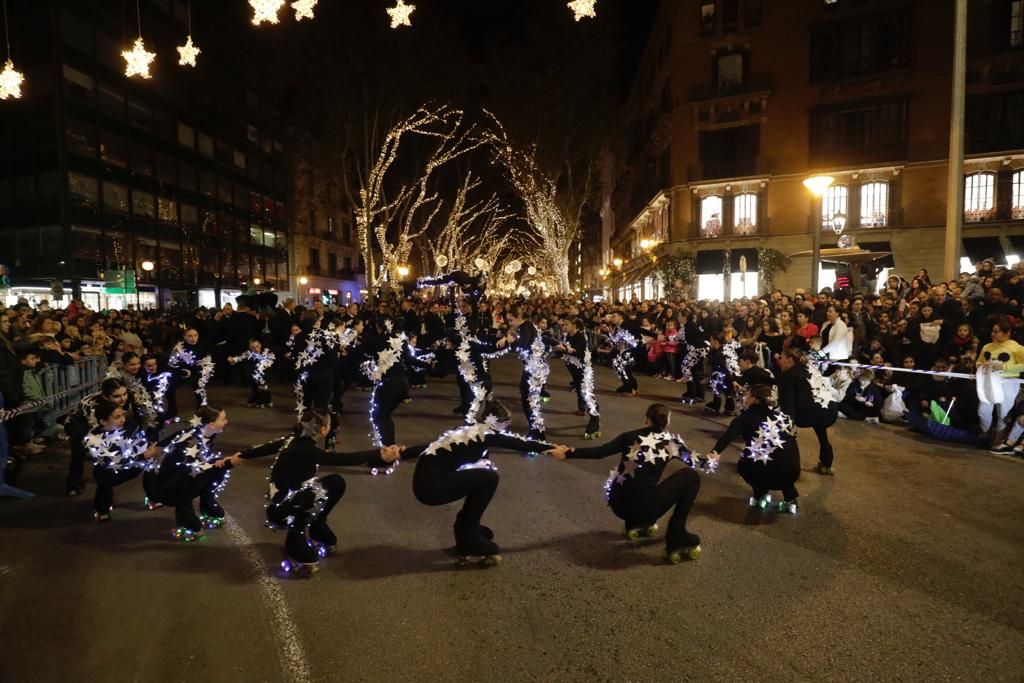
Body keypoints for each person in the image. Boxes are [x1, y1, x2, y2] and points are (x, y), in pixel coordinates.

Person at [220, 410, 401, 575]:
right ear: (323, 430)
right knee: (314, 493)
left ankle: (317, 524)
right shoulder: (307, 450)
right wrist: (379, 455)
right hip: (282, 510)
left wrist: (241, 455)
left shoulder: (293, 440)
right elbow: (344, 459)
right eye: (330, 425)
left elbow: (265, 448)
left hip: (286, 500)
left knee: (335, 482)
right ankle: (295, 538)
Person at [401, 401, 567, 565]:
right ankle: (468, 535)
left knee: (483, 475)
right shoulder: (485, 434)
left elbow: (430, 447)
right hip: (431, 488)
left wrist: (402, 454)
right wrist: (551, 448)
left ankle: (468, 530)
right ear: (494, 421)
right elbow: (518, 443)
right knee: (488, 478)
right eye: (506, 423)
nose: (507, 427)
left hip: (428, 482)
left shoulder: (468, 430)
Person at [552, 403, 708, 564]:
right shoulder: (672, 443)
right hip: (645, 508)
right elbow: (699, 463)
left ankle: (635, 522)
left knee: (639, 482)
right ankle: (677, 532)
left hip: (618, 505)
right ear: (667, 422)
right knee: (691, 477)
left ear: (646, 420)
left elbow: (599, 452)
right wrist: (712, 458)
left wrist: (568, 453)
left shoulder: (629, 437)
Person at [707, 385, 801, 513]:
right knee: (780, 457)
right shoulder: (783, 418)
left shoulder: (744, 419)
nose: (745, 397)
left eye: (748, 395)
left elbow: (727, 438)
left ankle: (760, 493)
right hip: (792, 471)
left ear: (754, 399)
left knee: (750, 461)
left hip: (761, 471)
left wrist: (715, 452)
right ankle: (790, 498)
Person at [84, 401, 162, 521]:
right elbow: (110, 461)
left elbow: (139, 443)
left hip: (131, 465)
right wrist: (142, 456)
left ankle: (155, 497)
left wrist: (148, 448)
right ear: (103, 421)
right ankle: (102, 509)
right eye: (117, 417)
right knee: (103, 477)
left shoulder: (128, 427)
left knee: (150, 464)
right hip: (110, 473)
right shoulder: (93, 439)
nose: (123, 419)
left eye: (123, 415)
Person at [777, 347, 840, 476]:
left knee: (788, 434)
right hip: (829, 410)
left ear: (790, 360)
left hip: (807, 415)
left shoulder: (788, 377)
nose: (778, 361)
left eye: (781, 358)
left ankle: (787, 465)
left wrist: (787, 426)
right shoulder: (810, 368)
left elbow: (787, 406)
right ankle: (827, 464)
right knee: (822, 432)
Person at [976, 315, 1024, 440]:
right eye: (992, 331)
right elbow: (979, 361)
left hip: (1008, 382)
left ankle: (998, 441)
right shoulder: (987, 346)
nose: (993, 334)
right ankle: (986, 437)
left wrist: (1005, 368)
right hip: (988, 381)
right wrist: (981, 365)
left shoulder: (1016, 347)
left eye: (996, 331)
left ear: (1007, 332)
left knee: (1003, 413)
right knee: (983, 412)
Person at [556, 317, 601, 439]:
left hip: (583, 369)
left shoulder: (580, 337)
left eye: (566, 324)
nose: (563, 326)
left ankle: (595, 420)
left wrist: (565, 349)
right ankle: (582, 408)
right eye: (563, 324)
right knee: (578, 387)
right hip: (573, 369)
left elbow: (579, 353)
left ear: (574, 325)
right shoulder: (566, 336)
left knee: (587, 393)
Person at [167, 328, 216, 406]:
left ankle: (202, 407)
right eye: (190, 336)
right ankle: (172, 409)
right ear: (184, 337)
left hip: (200, 370)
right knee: (168, 386)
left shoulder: (203, 345)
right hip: (184, 370)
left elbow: (208, 361)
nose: (193, 338)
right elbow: (172, 364)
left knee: (199, 384)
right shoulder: (179, 348)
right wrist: (183, 371)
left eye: (195, 335)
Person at [228, 338, 276, 408]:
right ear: (250, 347)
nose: (256, 349)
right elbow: (240, 358)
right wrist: (233, 359)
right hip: (252, 374)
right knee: (255, 387)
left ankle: (265, 400)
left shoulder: (266, 352)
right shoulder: (249, 353)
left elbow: (271, 359)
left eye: (257, 346)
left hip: (263, 373)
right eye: (253, 348)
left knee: (263, 386)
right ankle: (257, 399)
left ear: (260, 345)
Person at [607, 311, 640, 396]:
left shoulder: (627, 325)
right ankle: (631, 386)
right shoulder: (617, 327)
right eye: (612, 317)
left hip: (630, 350)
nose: (612, 318)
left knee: (621, 368)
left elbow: (640, 330)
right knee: (625, 368)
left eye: (614, 316)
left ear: (620, 317)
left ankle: (629, 388)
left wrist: (655, 335)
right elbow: (615, 341)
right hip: (622, 350)